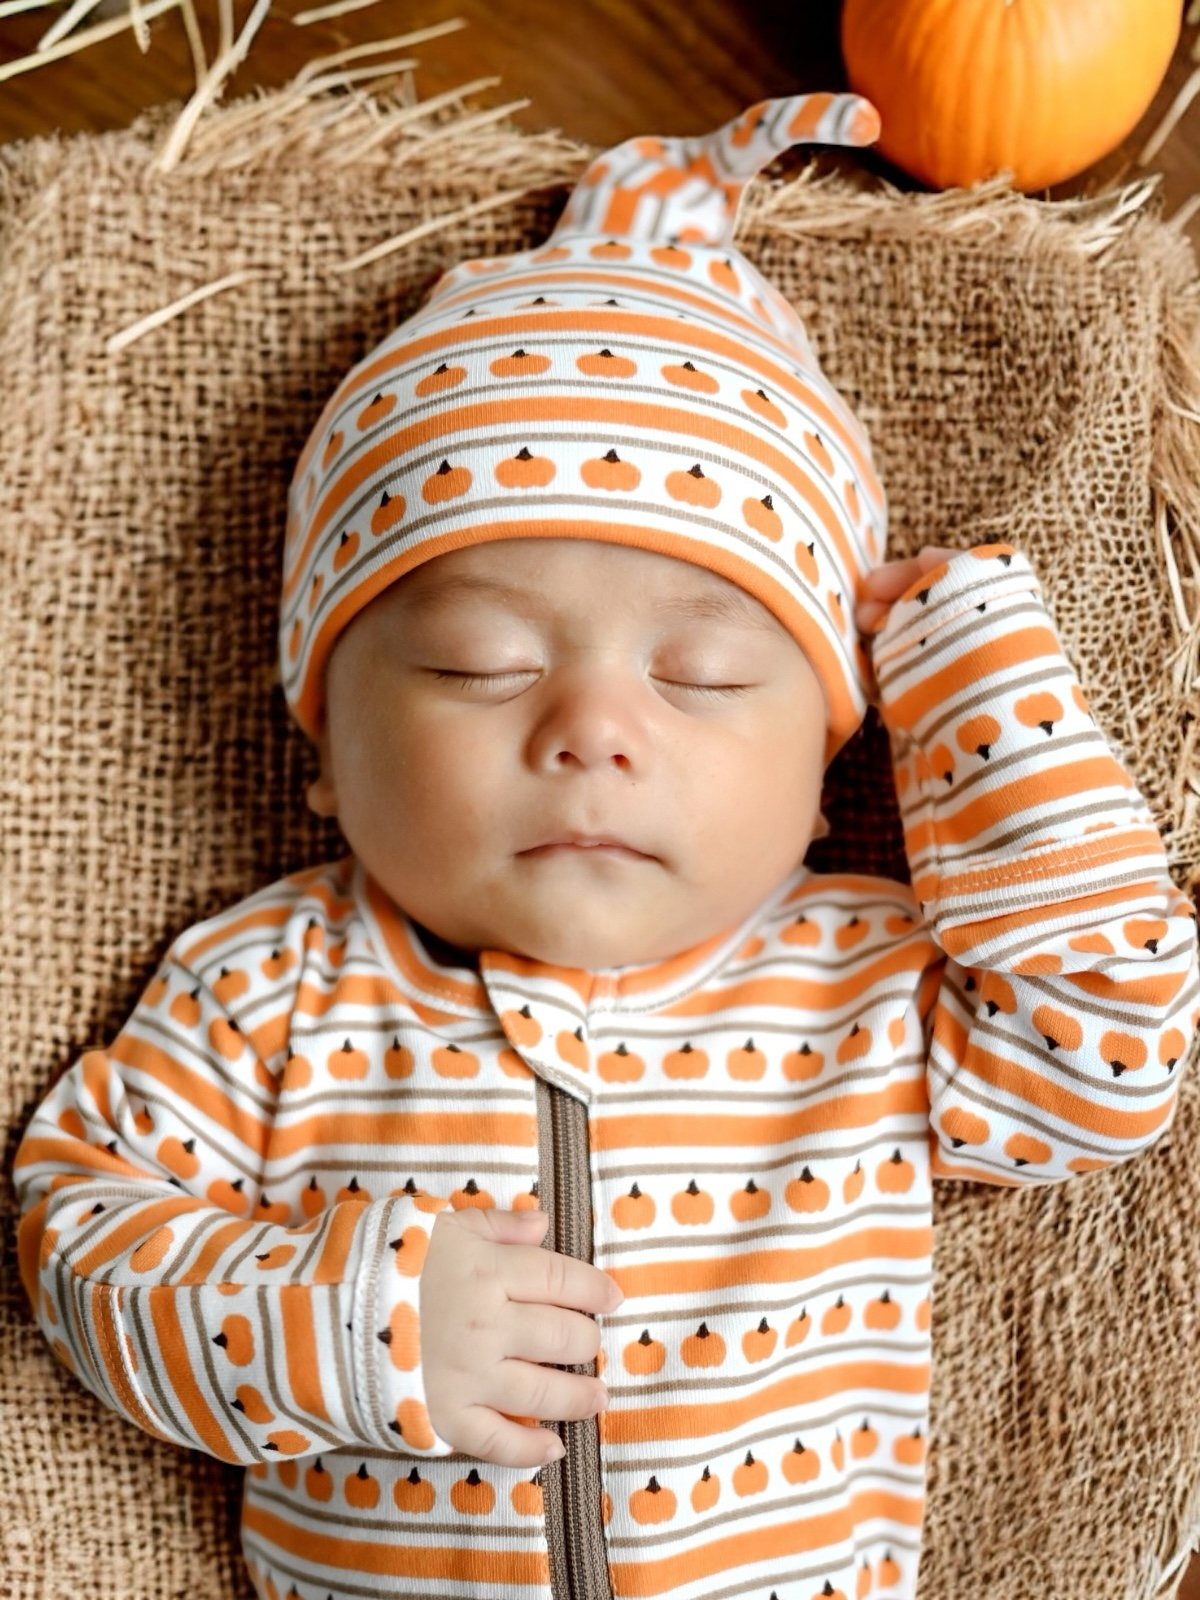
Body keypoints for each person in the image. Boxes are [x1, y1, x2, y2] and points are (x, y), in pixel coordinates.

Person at [13, 91, 1198, 1600]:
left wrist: (973, 690)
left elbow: (1111, 1054)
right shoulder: (272, 990)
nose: (593, 729)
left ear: (826, 766)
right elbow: (82, 1235)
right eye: (481, 665)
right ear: (323, 750)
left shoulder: (862, 985)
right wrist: (347, 1324)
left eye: (703, 678)